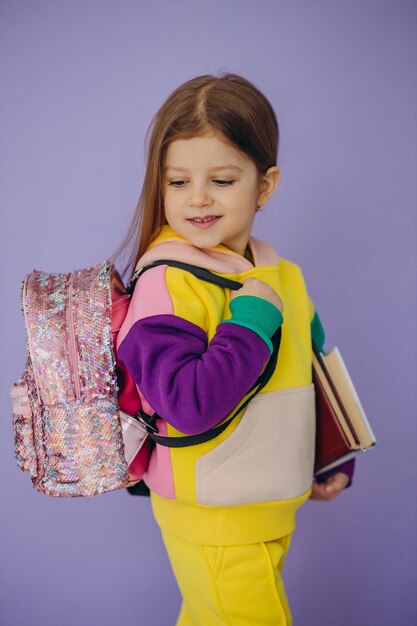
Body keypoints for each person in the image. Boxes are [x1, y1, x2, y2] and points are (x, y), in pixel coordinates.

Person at [115, 73, 354, 626]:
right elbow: (188, 402)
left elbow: (309, 373)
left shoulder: (282, 275)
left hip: (271, 502)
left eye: (221, 179)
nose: (198, 198)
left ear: (264, 186)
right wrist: (251, 322)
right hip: (213, 513)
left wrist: (327, 456)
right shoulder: (167, 283)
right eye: (178, 182)